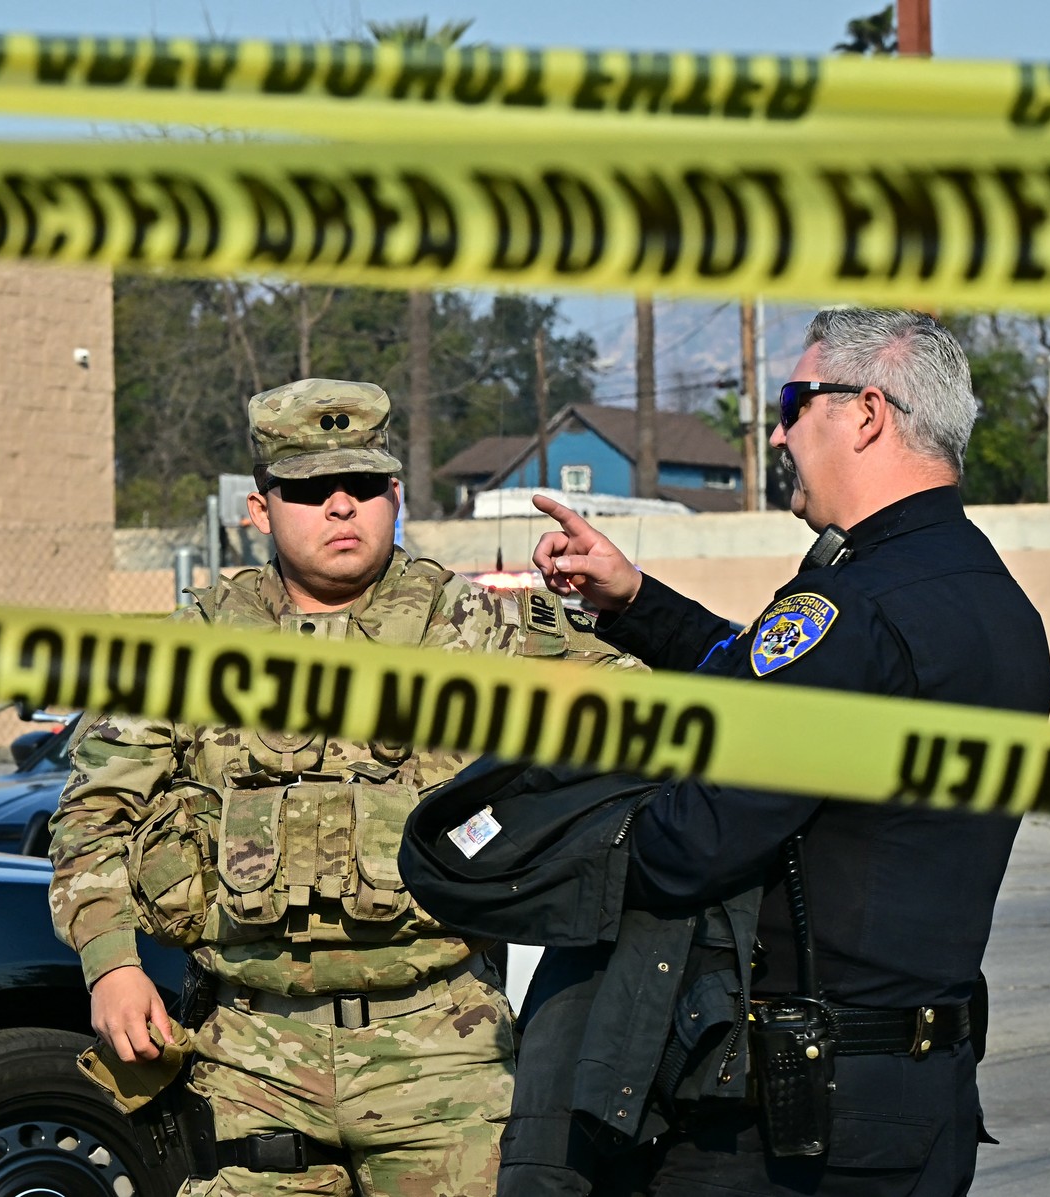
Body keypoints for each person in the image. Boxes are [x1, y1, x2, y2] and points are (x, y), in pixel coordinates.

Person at [49, 377, 640, 1197]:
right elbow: (94, 814)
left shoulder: (478, 630)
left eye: (362, 485)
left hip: (444, 1053)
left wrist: (630, 601)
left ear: (394, 494)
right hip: (249, 1056)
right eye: (308, 489)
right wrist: (110, 961)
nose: (340, 506)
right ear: (260, 508)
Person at [523, 308, 1050, 1195]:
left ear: (868, 413)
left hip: (798, 1128)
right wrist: (635, 600)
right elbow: (779, 675)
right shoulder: (994, 603)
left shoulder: (854, 608)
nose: (775, 430)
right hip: (926, 1103)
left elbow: (696, 841)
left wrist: (558, 843)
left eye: (793, 401)